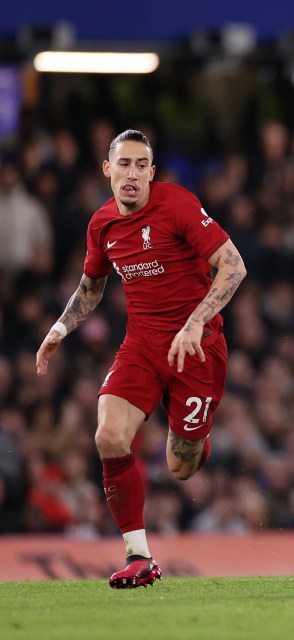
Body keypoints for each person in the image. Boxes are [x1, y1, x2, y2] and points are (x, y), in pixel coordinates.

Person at [35, 129, 247, 588]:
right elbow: (92, 287)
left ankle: (193, 435)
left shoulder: (178, 205)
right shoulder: (102, 224)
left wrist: (195, 321)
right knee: (109, 435)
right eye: (123, 164)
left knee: (182, 466)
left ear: (152, 172)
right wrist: (59, 327)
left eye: (141, 165)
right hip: (143, 345)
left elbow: (233, 265)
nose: (132, 174)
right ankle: (139, 555)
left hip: (198, 349)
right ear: (107, 170)